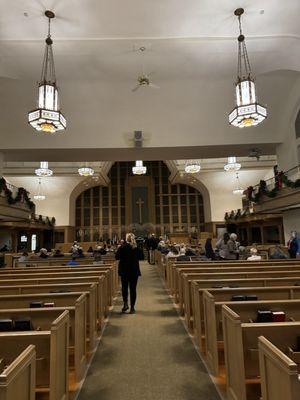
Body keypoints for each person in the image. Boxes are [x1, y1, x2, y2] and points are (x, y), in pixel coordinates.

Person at [115, 233, 141, 314]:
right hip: (134, 270)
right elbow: (141, 257)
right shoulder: (136, 247)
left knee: (124, 288)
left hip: (124, 270)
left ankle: (125, 304)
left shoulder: (122, 247)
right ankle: (132, 308)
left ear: (126, 239)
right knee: (133, 289)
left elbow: (117, 257)